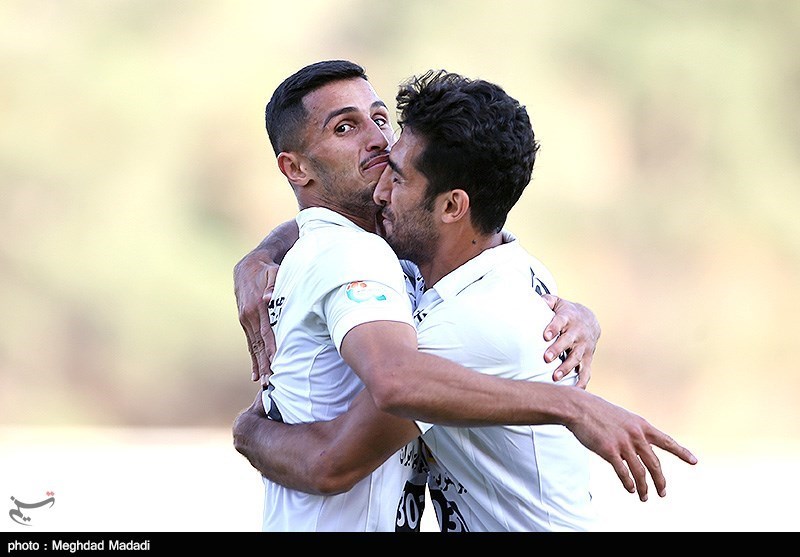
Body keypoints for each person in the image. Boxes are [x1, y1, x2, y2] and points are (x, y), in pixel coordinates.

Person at [232, 60, 697, 532]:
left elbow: (334, 457)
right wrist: (258, 256)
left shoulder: (463, 322)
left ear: (453, 206)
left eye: (379, 121)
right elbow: (333, 233)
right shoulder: (499, 264)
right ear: (294, 167)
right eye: (345, 127)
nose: (378, 146)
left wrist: (248, 430)